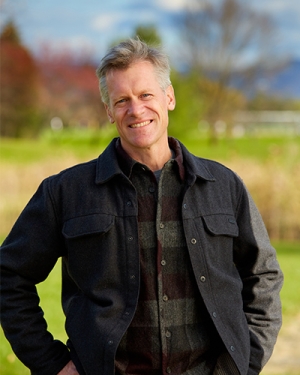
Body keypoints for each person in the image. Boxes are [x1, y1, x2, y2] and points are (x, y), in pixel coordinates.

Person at [0, 38, 283, 375]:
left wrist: (244, 364)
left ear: (169, 97)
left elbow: (263, 276)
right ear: (108, 111)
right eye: (122, 100)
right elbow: (9, 275)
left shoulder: (224, 186)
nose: (136, 110)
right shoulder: (65, 192)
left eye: (146, 95)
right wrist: (53, 364)